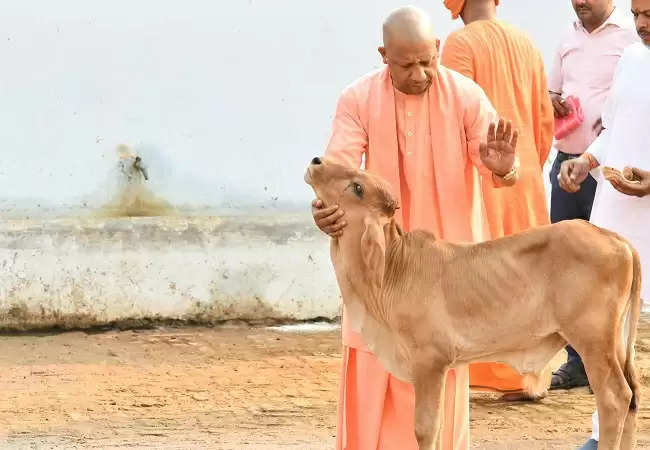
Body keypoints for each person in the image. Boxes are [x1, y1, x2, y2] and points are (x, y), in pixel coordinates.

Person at [311, 6, 520, 449]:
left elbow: (498, 165)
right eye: (406, 64)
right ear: (384, 55)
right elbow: (340, 170)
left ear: (438, 49)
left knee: (441, 358)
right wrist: (325, 209)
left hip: (447, 267)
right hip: (379, 263)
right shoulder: (357, 98)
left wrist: (505, 168)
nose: (420, 73)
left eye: (428, 60)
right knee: (372, 356)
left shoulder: (465, 95)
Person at [440, 0, 555, 401]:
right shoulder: (527, 43)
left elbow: (453, 118)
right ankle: (529, 377)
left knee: (485, 282)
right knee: (528, 282)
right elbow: (544, 120)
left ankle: (492, 375)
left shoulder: (459, 45)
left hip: (485, 181)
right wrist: (528, 169)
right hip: (524, 178)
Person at [558, 2, 650, 447]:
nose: (642, 23)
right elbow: (615, 127)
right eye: (637, 13)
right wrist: (588, 159)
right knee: (609, 335)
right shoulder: (633, 59)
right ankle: (606, 436)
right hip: (618, 212)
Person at [547, 0, 638, 391]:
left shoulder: (634, 39)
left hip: (616, 174)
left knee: (616, 270)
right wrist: (553, 103)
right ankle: (578, 362)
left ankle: (617, 359)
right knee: (566, 268)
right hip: (570, 163)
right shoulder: (567, 37)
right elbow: (550, 91)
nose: (580, 1)